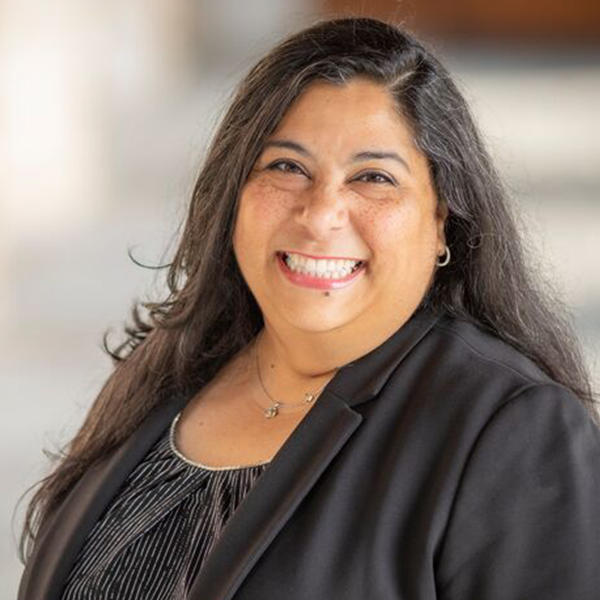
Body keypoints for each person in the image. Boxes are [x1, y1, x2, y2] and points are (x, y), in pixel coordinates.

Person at [17, 16, 600, 600]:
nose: (321, 213)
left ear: (442, 219)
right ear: (234, 195)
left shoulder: (511, 428)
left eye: (373, 177)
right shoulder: (170, 369)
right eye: (287, 167)